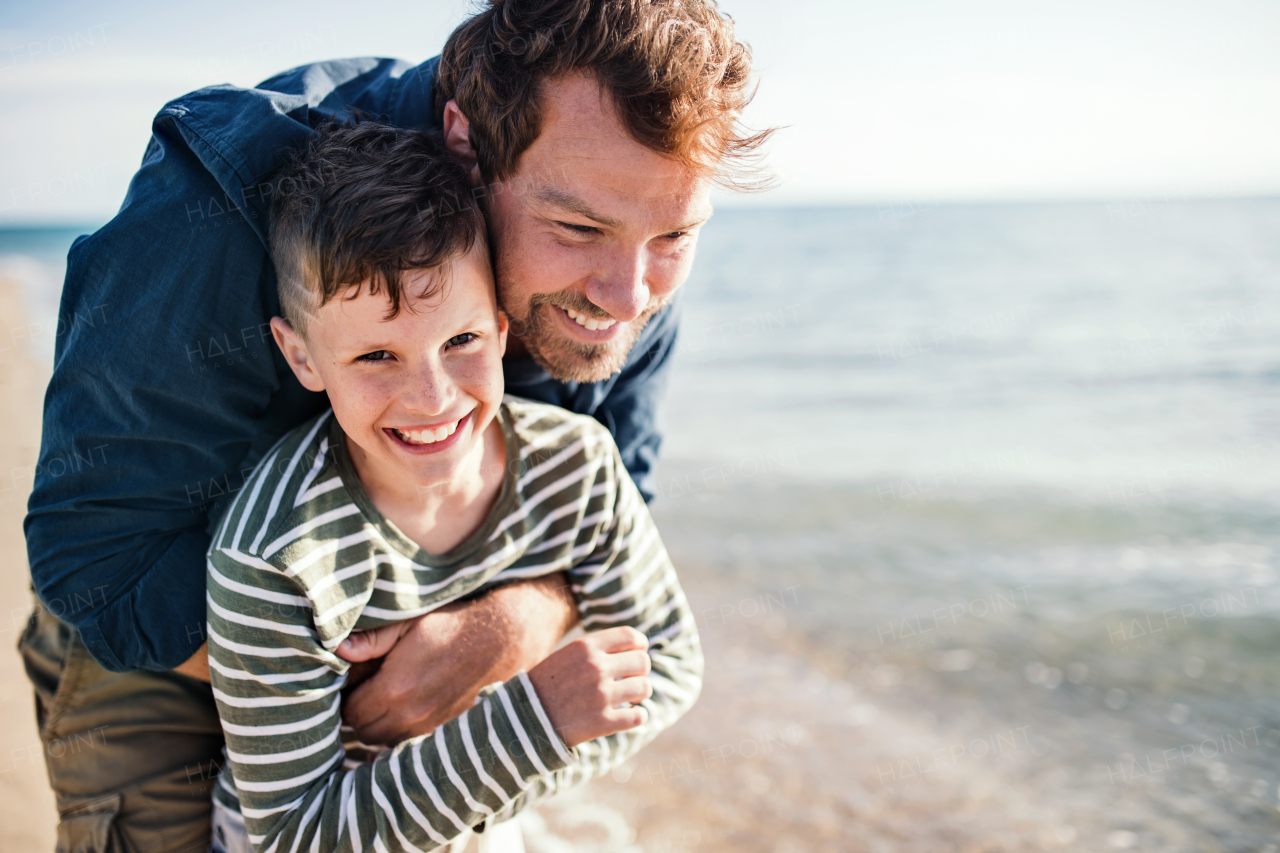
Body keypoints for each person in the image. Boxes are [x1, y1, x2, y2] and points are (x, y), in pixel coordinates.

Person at [21, 0, 770, 848]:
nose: (629, 296)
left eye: (676, 232)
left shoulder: (625, 249)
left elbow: (615, 512)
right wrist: (338, 689)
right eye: (576, 228)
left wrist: (509, 625)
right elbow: (96, 566)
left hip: (447, 656)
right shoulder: (219, 216)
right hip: (168, 643)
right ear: (464, 143)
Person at [205, 119, 700, 853]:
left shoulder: (579, 466)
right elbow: (295, 834)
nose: (433, 397)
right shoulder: (278, 557)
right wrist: (535, 723)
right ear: (302, 356)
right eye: (377, 354)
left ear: (502, 330)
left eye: (460, 340)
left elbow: (671, 659)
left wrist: (522, 753)